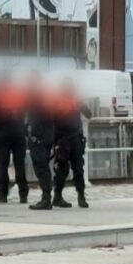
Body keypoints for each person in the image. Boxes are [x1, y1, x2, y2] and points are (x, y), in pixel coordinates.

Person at [52, 78, 92, 208]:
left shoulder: (76, 100)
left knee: (78, 168)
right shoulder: (57, 101)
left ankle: (81, 196)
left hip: (74, 138)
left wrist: (82, 106)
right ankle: (58, 196)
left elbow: (89, 114)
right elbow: (53, 121)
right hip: (63, 139)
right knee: (63, 169)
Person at [0, 73, 29, 204]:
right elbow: (24, 113)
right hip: (18, 133)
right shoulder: (18, 95)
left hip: (3, 133)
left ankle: (3, 194)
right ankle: (23, 194)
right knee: (20, 164)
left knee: (2, 165)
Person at [26, 72, 55, 211]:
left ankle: (46, 198)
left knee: (41, 166)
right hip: (47, 136)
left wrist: (34, 136)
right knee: (44, 167)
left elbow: (36, 117)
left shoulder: (36, 96)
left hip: (40, 138)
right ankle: (47, 196)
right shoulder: (46, 95)